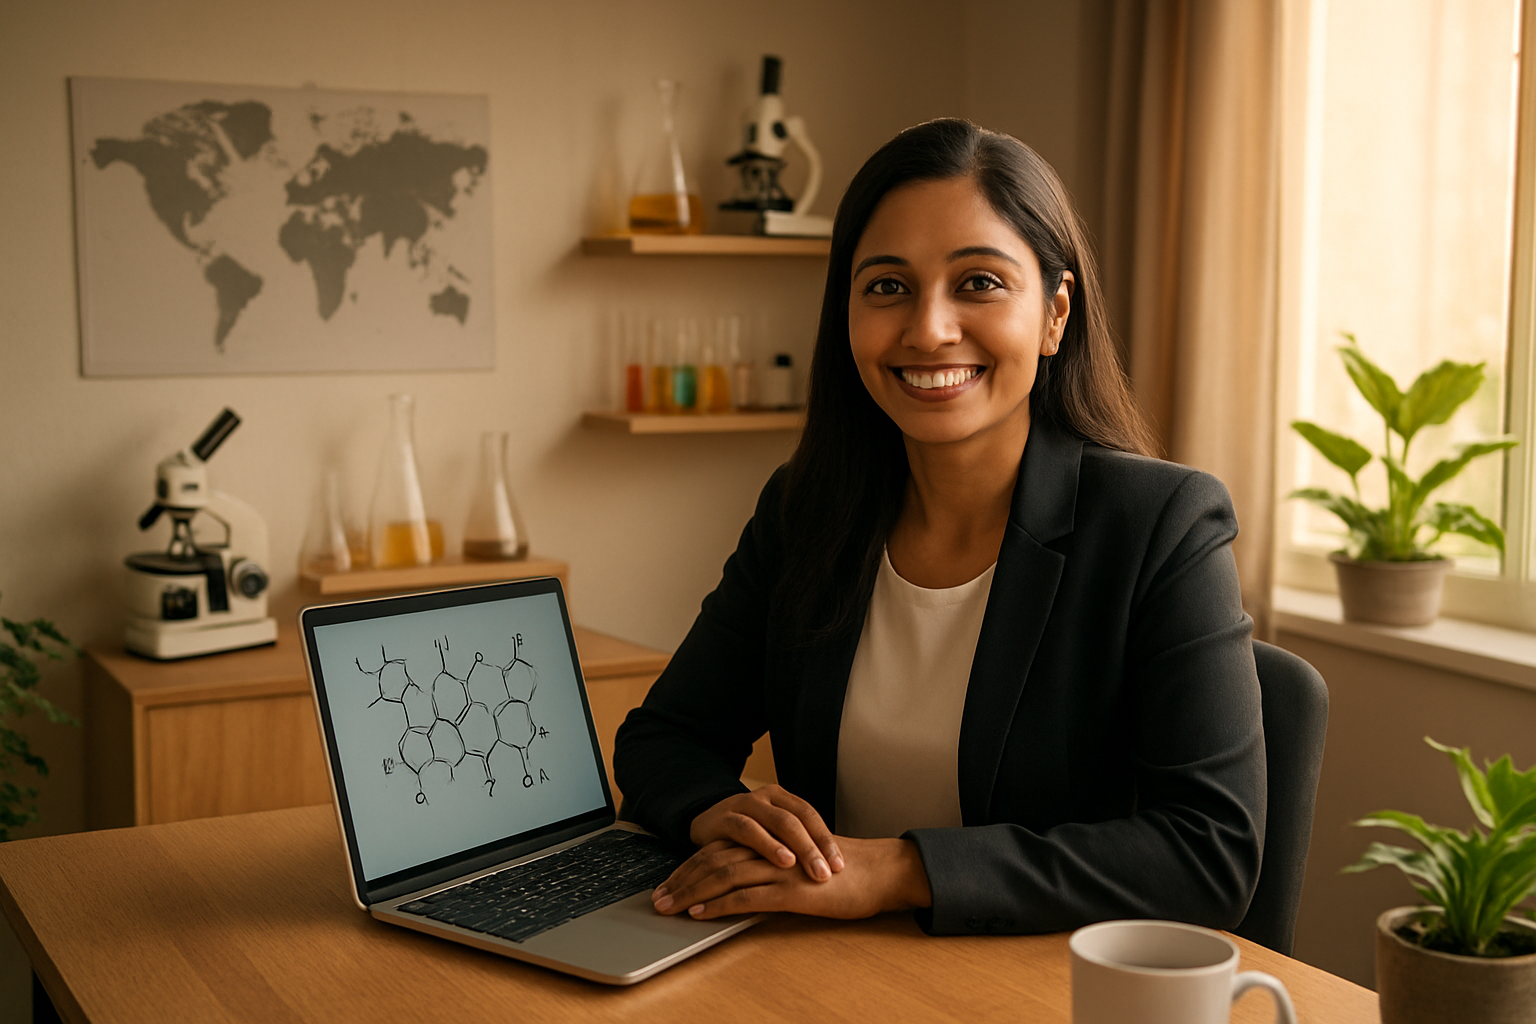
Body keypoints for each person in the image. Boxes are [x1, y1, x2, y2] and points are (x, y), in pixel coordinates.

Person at [613, 118, 1265, 936]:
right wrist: (722, 814)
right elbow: (664, 738)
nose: (928, 329)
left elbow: (1208, 853)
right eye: (887, 286)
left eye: (979, 283)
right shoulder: (805, 511)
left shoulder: (1160, 525)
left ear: (1055, 314)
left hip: (1040, 988)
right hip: (824, 970)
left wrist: (902, 869)